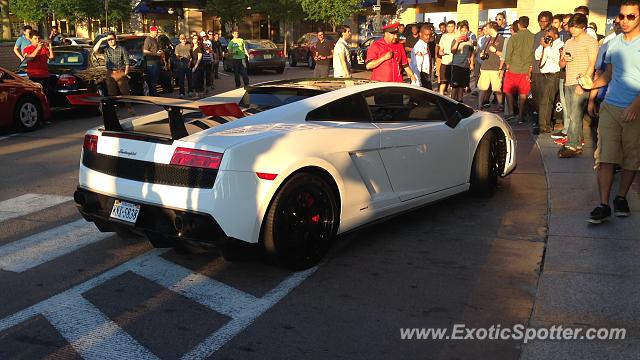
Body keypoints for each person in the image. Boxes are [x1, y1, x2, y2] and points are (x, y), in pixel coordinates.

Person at [577, 0, 640, 223]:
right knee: (606, 158)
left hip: (635, 110)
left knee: (632, 159)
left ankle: (621, 197)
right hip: (611, 107)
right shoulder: (613, 44)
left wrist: (636, 105)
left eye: (630, 16)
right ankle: (603, 204)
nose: (624, 21)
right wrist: (591, 85)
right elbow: (608, 75)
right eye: (621, 16)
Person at [557, 13, 598, 158]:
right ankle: (574, 143)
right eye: (571, 26)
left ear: (583, 26)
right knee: (571, 115)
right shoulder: (568, 42)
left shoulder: (591, 41)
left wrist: (583, 85)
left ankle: (573, 145)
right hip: (568, 81)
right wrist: (565, 60)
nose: (572, 29)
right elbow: (561, 64)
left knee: (575, 115)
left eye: (575, 27)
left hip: (580, 83)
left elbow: (592, 64)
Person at [504, 16, 535, 123]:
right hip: (526, 69)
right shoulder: (533, 37)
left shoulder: (514, 37)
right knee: (523, 93)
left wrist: (507, 65)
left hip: (513, 67)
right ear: (528, 24)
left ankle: (512, 112)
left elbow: (508, 54)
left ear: (518, 24)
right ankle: (521, 115)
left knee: (508, 91)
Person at [533, 27, 564, 134]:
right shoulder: (546, 44)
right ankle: (545, 123)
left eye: (549, 35)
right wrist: (542, 45)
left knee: (546, 101)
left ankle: (544, 126)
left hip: (553, 75)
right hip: (543, 75)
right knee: (542, 101)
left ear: (556, 35)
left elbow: (557, 59)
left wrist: (547, 47)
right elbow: (537, 56)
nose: (547, 38)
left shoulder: (560, 45)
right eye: (546, 36)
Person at [531, 11, 554, 125]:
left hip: (546, 71)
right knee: (536, 97)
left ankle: (543, 123)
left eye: (545, 21)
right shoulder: (536, 35)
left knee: (545, 99)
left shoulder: (551, 33)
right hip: (535, 70)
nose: (542, 23)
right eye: (540, 20)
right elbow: (533, 53)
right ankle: (538, 118)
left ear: (549, 21)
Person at [477, 22, 505, 111]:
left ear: (491, 28)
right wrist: (482, 55)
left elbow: (504, 55)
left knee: (496, 88)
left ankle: (500, 105)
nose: (485, 30)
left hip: (495, 68)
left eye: (487, 28)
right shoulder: (487, 39)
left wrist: (495, 51)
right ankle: (479, 105)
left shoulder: (502, 39)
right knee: (482, 88)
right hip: (485, 67)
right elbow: (484, 51)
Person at [22, 31, 55, 97]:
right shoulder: (27, 49)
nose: (37, 40)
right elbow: (29, 58)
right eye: (35, 39)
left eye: (38, 38)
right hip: (34, 76)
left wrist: (50, 49)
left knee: (47, 95)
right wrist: (37, 49)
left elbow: (51, 59)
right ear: (30, 39)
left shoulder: (44, 48)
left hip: (45, 76)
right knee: (36, 96)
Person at [450, 22, 474, 102]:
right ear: (460, 31)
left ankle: (460, 100)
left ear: (468, 31)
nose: (464, 32)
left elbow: (471, 53)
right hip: (456, 65)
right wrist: (457, 42)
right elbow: (452, 51)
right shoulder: (455, 39)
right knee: (455, 86)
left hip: (465, 66)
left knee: (462, 86)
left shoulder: (470, 41)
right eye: (462, 31)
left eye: (465, 31)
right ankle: (452, 101)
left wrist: (471, 63)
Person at [410, 24, 433, 89]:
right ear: (420, 34)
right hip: (421, 76)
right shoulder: (419, 47)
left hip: (425, 75)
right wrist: (418, 83)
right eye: (426, 35)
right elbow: (416, 66)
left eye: (430, 35)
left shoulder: (425, 44)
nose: (428, 37)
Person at [143, 26, 163, 96]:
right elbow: (145, 51)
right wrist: (156, 54)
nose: (156, 33)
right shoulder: (148, 40)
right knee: (152, 79)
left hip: (157, 62)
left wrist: (160, 52)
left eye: (157, 31)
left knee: (155, 79)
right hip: (151, 63)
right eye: (155, 32)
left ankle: (155, 93)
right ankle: (153, 94)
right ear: (151, 32)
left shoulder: (155, 39)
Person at [437, 20, 457, 95]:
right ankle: (440, 96)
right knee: (443, 81)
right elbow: (440, 49)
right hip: (445, 62)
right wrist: (441, 52)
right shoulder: (443, 36)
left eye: (452, 26)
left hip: (455, 62)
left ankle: (452, 98)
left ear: (455, 27)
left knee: (453, 83)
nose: (450, 28)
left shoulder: (457, 36)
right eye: (448, 26)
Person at [174, 33, 193, 98]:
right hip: (181, 63)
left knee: (189, 79)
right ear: (180, 40)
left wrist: (190, 61)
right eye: (182, 39)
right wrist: (180, 58)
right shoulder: (177, 46)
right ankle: (181, 93)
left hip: (188, 63)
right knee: (181, 80)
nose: (184, 40)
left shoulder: (189, 45)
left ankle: (190, 91)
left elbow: (191, 54)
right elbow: (176, 55)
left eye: (184, 38)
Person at [190, 34, 204, 98]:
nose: (194, 40)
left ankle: (198, 94)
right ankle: (198, 94)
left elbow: (199, 58)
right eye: (193, 38)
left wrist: (195, 67)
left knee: (197, 80)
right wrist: (189, 62)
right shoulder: (192, 48)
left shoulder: (199, 48)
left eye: (195, 38)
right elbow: (192, 57)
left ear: (198, 40)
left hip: (198, 66)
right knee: (194, 80)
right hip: (193, 64)